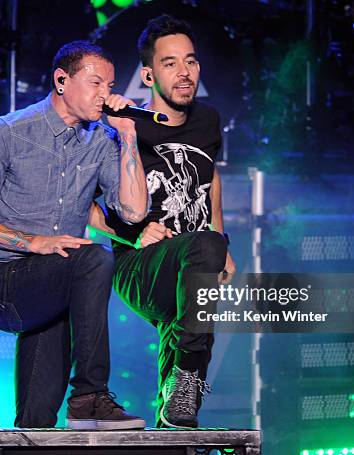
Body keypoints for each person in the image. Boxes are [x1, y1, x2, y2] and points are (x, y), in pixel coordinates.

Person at [0, 40, 149, 430]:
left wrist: (128, 137)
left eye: (110, 85)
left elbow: (134, 211)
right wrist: (34, 242)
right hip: (3, 282)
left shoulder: (102, 141)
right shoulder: (8, 133)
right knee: (94, 257)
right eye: (95, 83)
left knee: (36, 423)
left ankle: (38, 427)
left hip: (56, 280)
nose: (105, 94)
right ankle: (89, 394)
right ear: (61, 81)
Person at [88, 15, 236, 429]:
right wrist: (129, 234)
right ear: (149, 74)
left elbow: (211, 178)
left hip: (194, 262)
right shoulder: (124, 125)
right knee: (204, 254)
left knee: (188, 344)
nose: (184, 72)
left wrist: (222, 241)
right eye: (170, 64)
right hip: (140, 266)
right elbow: (78, 203)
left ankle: (175, 419)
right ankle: (186, 383)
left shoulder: (208, 121)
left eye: (190, 62)